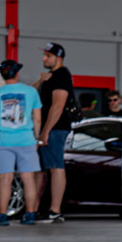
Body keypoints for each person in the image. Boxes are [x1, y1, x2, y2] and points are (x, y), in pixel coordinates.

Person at [0, 60, 43, 227]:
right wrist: (36, 137)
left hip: (2, 141)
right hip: (26, 140)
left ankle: (2, 216)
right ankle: (29, 215)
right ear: (17, 73)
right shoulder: (31, 92)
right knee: (28, 178)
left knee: (5, 178)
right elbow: (37, 118)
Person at [35, 42, 75, 224]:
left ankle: (55, 211)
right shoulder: (50, 77)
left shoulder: (61, 75)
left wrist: (45, 131)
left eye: (48, 56)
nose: (44, 59)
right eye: (44, 55)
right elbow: (32, 91)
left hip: (55, 128)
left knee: (56, 167)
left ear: (58, 58)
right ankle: (39, 209)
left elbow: (58, 105)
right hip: (50, 128)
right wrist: (41, 81)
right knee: (45, 168)